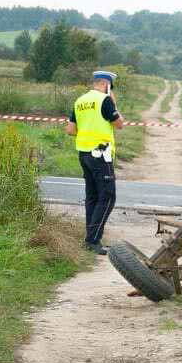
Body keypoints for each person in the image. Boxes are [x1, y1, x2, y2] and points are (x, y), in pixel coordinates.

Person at [65, 70, 124, 254]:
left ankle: (90, 238)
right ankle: (93, 240)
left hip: (83, 153)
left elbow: (70, 130)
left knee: (92, 196)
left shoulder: (80, 101)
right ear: (106, 84)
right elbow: (119, 124)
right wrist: (114, 103)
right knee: (108, 196)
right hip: (101, 153)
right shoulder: (105, 100)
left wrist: (87, 131)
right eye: (111, 87)